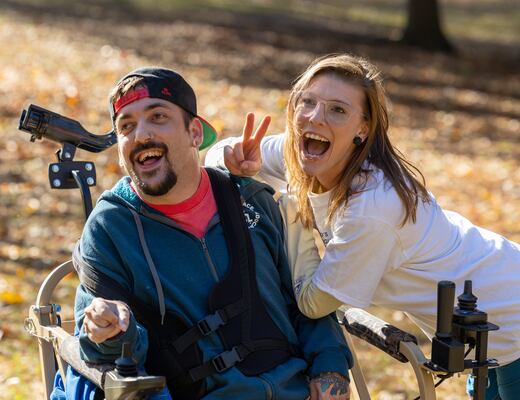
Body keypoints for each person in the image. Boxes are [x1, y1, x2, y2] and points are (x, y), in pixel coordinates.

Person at [206, 53, 520, 399]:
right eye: (306, 102)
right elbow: (216, 157)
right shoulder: (304, 152)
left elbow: (314, 303)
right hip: (479, 330)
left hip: (508, 314)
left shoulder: (373, 207)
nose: (315, 116)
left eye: (337, 109)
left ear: (363, 128)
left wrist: (293, 213)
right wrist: (233, 156)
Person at [52, 66, 354, 400]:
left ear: (195, 133)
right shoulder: (110, 228)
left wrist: (330, 369)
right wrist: (108, 332)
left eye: (158, 117)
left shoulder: (252, 201)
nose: (140, 135)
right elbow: (105, 358)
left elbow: (305, 303)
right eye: (126, 126)